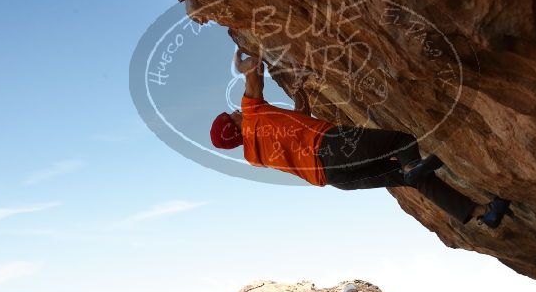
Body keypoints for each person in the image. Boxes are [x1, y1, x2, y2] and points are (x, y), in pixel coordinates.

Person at [210, 47, 512, 228]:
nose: (235, 111)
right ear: (233, 127)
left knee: (409, 176)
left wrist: (299, 88)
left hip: (331, 177)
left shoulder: (255, 154)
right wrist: (244, 66)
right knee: (402, 141)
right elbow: (255, 74)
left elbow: (302, 115)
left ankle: (483, 214)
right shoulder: (251, 114)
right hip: (331, 147)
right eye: (231, 116)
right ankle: (413, 167)